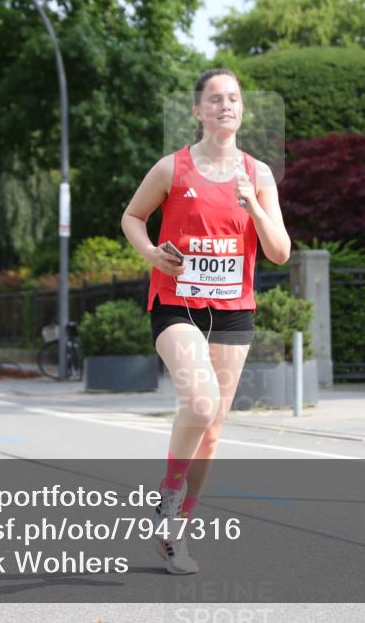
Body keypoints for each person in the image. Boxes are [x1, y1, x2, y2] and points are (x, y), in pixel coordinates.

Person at [121, 68, 291, 574]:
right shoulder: (171, 169)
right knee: (199, 401)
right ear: (197, 111)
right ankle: (168, 493)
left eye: (234, 98)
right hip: (177, 304)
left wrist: (254, 207)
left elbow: (279, 252)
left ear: (242, 110)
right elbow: (132, 217)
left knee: (213, 431)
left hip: (234, 312)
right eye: (214, 99)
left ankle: (176, 534)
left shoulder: (258, 175)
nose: (225, 106)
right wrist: (151, 253)